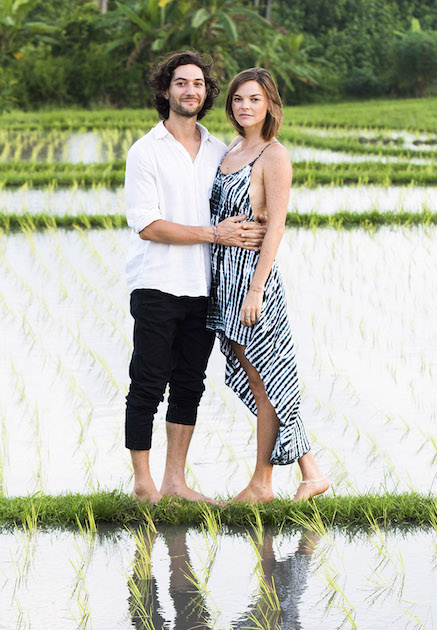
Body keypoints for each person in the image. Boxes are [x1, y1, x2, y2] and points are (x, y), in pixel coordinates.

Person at [124, 50, 267, 505]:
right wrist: (214, 233)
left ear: (207, 93)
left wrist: (256, 226)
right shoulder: (145, 151)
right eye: (181, 83)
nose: (191, 90)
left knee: (189, 384)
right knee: (148, 382)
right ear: (166, 90)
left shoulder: (218, 150)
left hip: (205, 288)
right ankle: (143, 483)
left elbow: (239, 206)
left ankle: (175, 482)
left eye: (199, 84)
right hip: (156, 284)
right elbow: (148, 225)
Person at [207, 67, 329, 503]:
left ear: (270, 105)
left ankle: (262, 483)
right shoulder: (232, 149)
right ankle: (310, 472)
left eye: (254, 99)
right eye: (239, 99)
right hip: (222, 276)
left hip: (251, 280)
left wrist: (256, 289)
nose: (245, 106)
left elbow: (274, 227)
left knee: (266, 381)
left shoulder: (274, 156)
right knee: (263, 381)